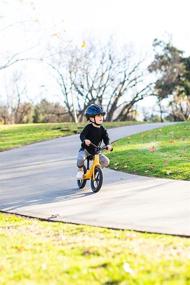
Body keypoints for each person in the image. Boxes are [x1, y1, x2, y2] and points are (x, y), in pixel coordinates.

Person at [76, 104, 112, 179]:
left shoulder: (102, 129)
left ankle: (96, 170)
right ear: (91, 118)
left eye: (101, 116)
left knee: (106, 162)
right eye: (98, 116)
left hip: (96, 151)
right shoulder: (88, 127)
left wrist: (108, 145)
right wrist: (85, 140)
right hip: (86, 149)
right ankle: (80, 170)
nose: (101, 118)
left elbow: (106, 138)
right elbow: (82, 135)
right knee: (80, 159)